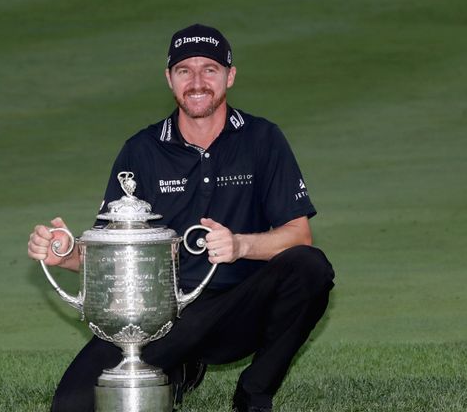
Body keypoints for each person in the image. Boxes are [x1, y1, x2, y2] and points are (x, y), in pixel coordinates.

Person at [27, 23, 334, 412]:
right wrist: (66, 255)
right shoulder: (141, 150)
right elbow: (113, 254)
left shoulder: (262, 139)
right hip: (163, 317)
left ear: (230, 76)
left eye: (210, 69)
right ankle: (180, 367)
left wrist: (241, 245)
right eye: (184, 70)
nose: (197, 81)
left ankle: (254, 393)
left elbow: (298, 234)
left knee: (310, 267)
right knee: (71, 406)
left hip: (244, 306)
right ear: (169, 79)